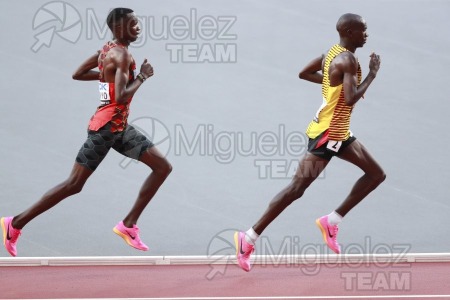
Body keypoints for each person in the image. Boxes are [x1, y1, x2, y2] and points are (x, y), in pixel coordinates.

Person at [1, 8, 172, 257]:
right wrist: (143, 77)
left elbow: (77, 74)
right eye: (132, 24)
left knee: (162, 167)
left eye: (138, 23)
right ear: (118, 27)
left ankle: (128, 225)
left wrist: (106, 76)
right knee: (73, 184)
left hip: (119, 128)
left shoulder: (106, 50)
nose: (138, 27)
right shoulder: (122, 55)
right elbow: (123, 94)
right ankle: (14, 224)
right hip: (104, 130)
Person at [234, 13, 385, 272]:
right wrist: (371, 75)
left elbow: (305, 73)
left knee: (376, 174)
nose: (366, 34)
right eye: (363, 30)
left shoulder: (332, 53)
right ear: (349, 31)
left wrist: (332, 85)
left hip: (339, 132)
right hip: (327, 135)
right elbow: (350, 99)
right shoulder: (347, 59)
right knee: (296, 189)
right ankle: (247, 238)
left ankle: (331, 221)